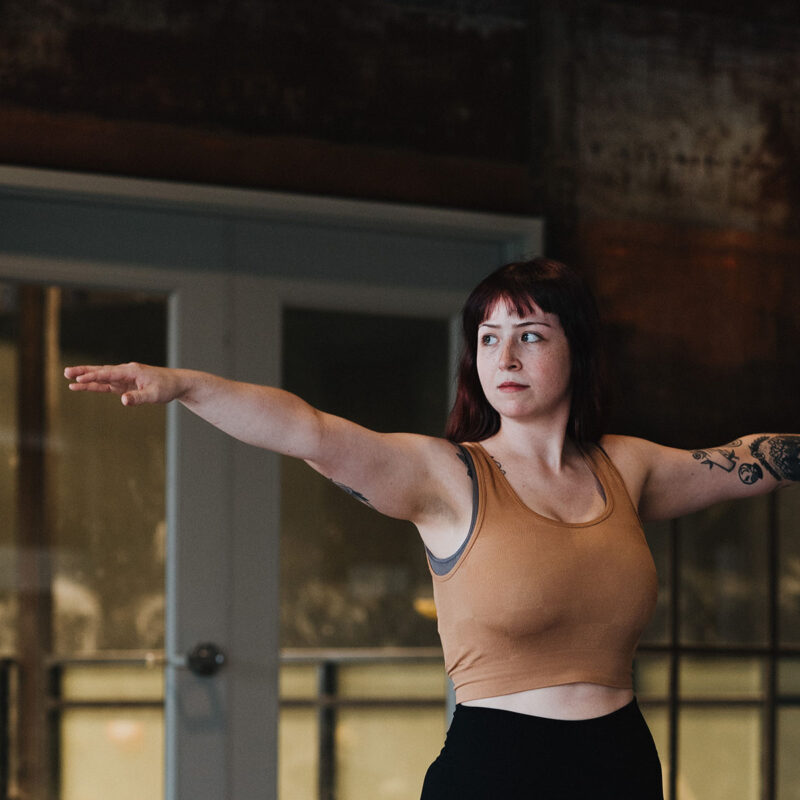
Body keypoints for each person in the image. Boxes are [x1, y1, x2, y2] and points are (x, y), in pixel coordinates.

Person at [65, 258, 799, 799]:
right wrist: (188, 385)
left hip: (622, 761)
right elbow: (307, 430)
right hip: (498, 768)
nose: (504, 357)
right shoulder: (445, 475)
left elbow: (746, 461)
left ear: (577, 349)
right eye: (487, 337)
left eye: (531, 336)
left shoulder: (626, 467)